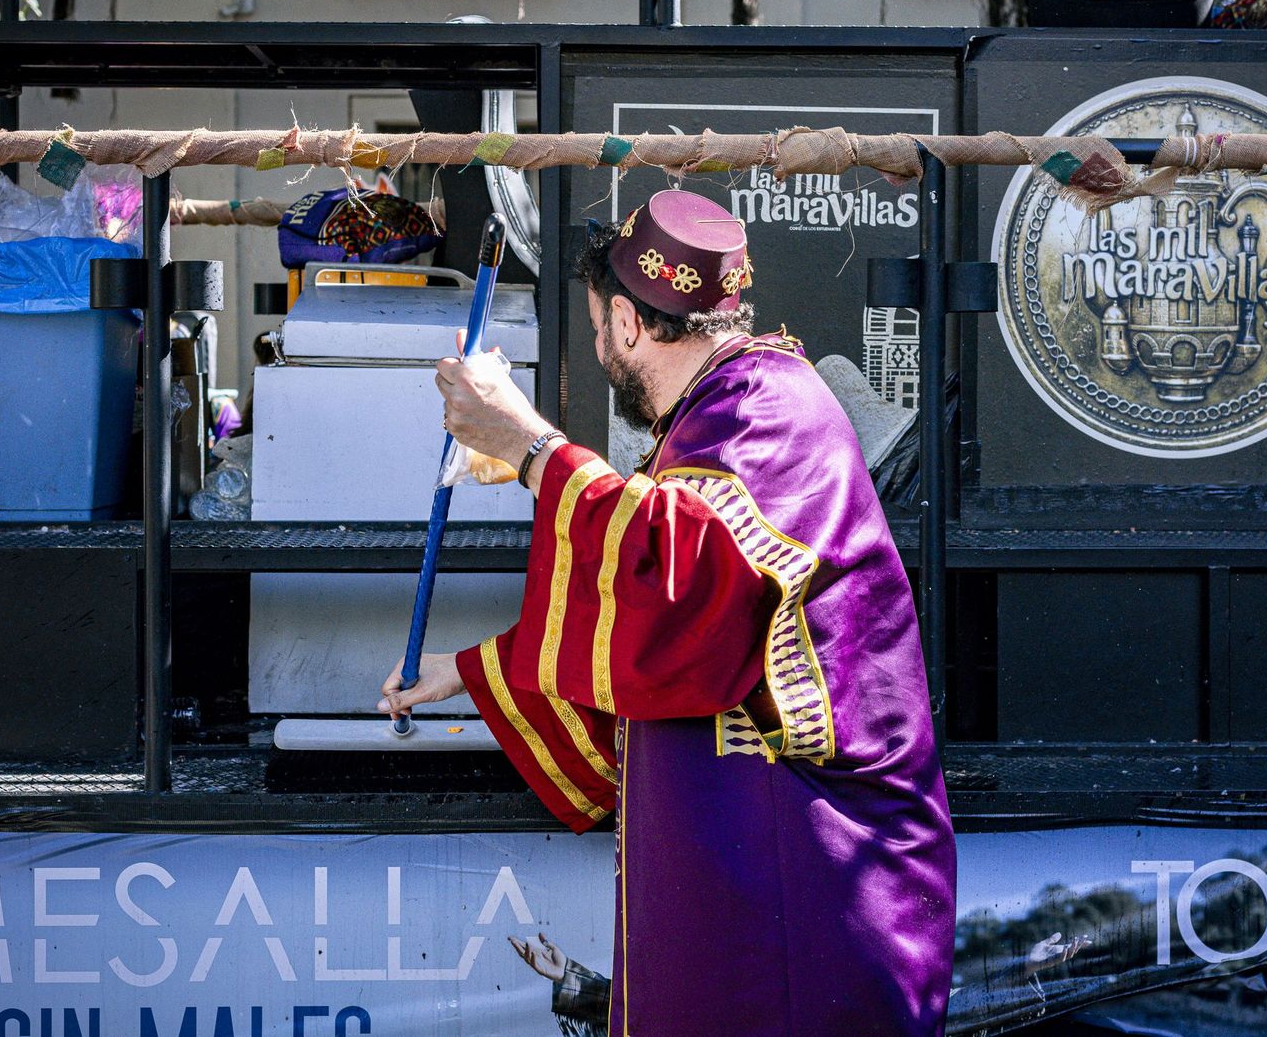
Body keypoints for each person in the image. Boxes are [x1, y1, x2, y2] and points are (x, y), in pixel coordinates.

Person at [380, 188, 957, 1035]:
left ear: (625, 320)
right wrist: (473, 671)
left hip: (809, 874)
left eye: (597, 329)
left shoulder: (765, 409)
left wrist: (529, 445)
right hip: (759, 852)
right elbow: (657, 607)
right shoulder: (725, 409)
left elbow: (680, 589)